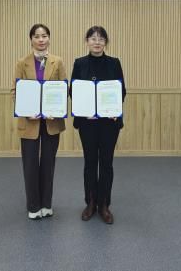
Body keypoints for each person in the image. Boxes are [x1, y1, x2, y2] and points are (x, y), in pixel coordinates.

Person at [70, 26, 126, 224]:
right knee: (90, 163)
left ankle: (104, 205)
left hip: (109, 123)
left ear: (105, 43)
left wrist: (112, 109)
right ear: (87, 41)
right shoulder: (79, 63)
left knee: (107, 163)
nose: (97, 42)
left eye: (101, 39)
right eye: (93, 38)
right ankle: (90, 203)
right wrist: (85, 108)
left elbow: (121, 90)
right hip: (87, 123)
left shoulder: (114, 63)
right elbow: (73, 91)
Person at [12, 24, 67, 220]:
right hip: (30, 122)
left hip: (52, 122)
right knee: (30, 164)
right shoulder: (22, 62)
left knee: (48, 164)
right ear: (31, 40)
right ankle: (33, 206)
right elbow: (16, 91)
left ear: (49, 38)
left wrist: (57, 110)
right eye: (37, 36)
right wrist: (26, 111)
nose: (41, 39)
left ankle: (46, 204)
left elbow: (63, 89)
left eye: (44, 36)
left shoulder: (57, 61)